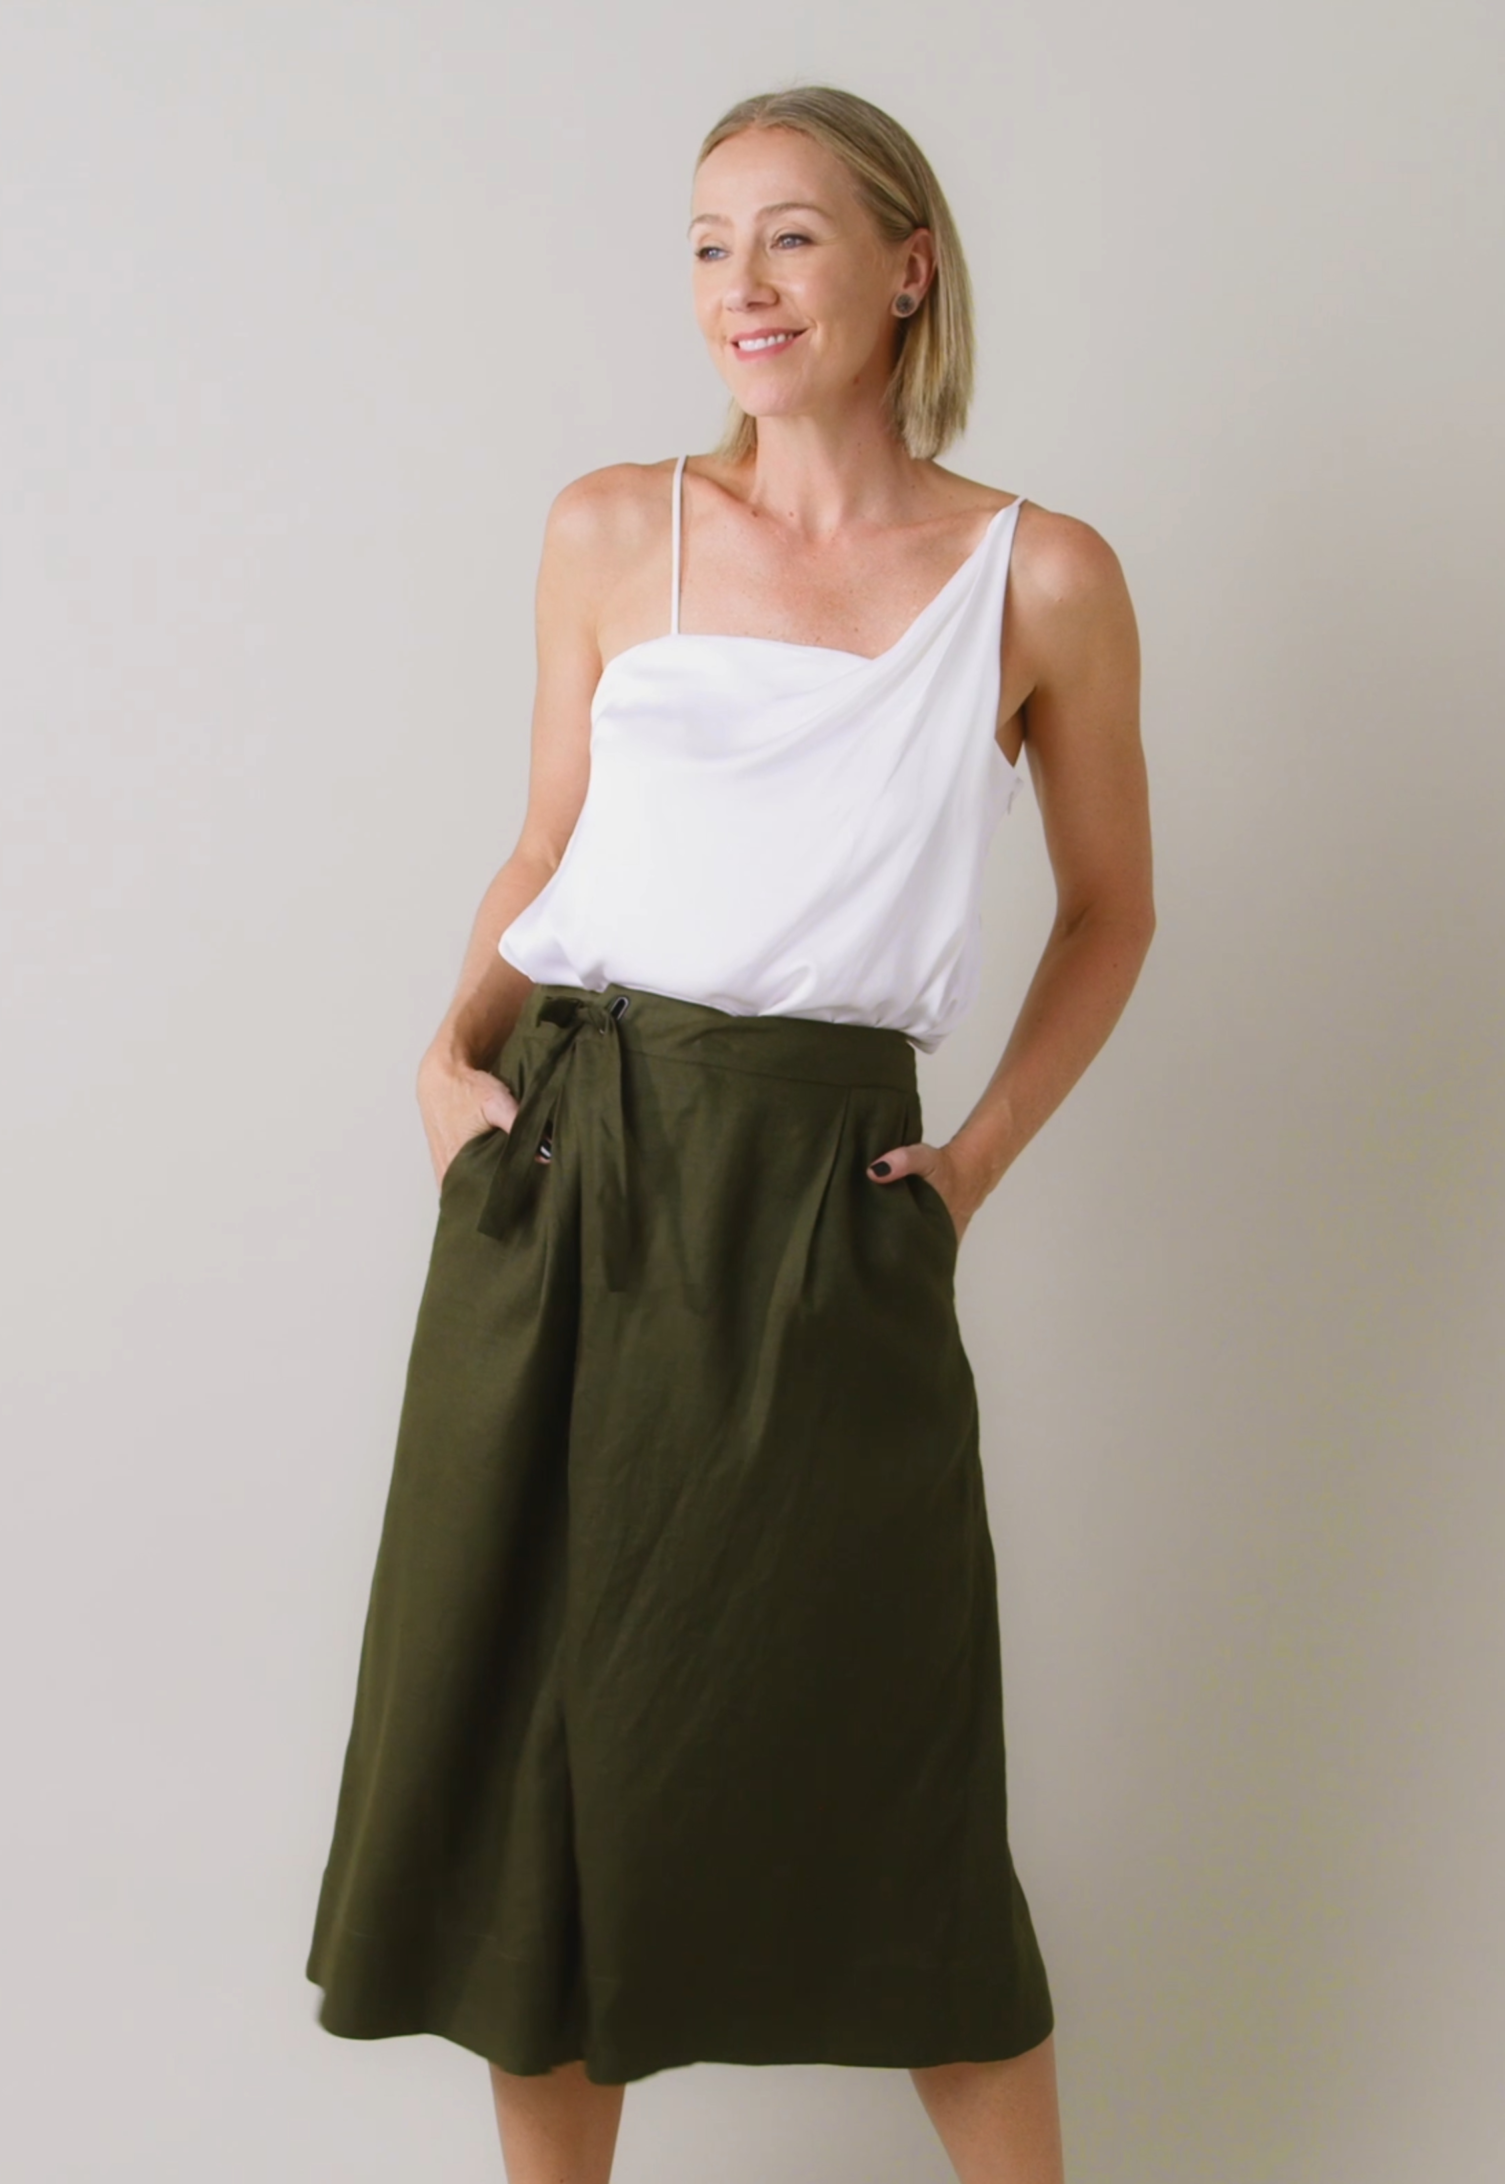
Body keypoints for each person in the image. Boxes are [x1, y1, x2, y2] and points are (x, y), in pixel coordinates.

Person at [304, 83, 1152, 2184]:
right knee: (527, 1766)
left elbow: (1112, 909)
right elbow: (545, 843)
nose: (738, 288)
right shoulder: (615, 528)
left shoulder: (1039, 577)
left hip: (821, 1199)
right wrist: (445, 1065)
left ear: (906, 264)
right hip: (566, 1162)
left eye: (788, 236)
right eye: (705, 243)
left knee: (894, 1773)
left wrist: (970, 1169)